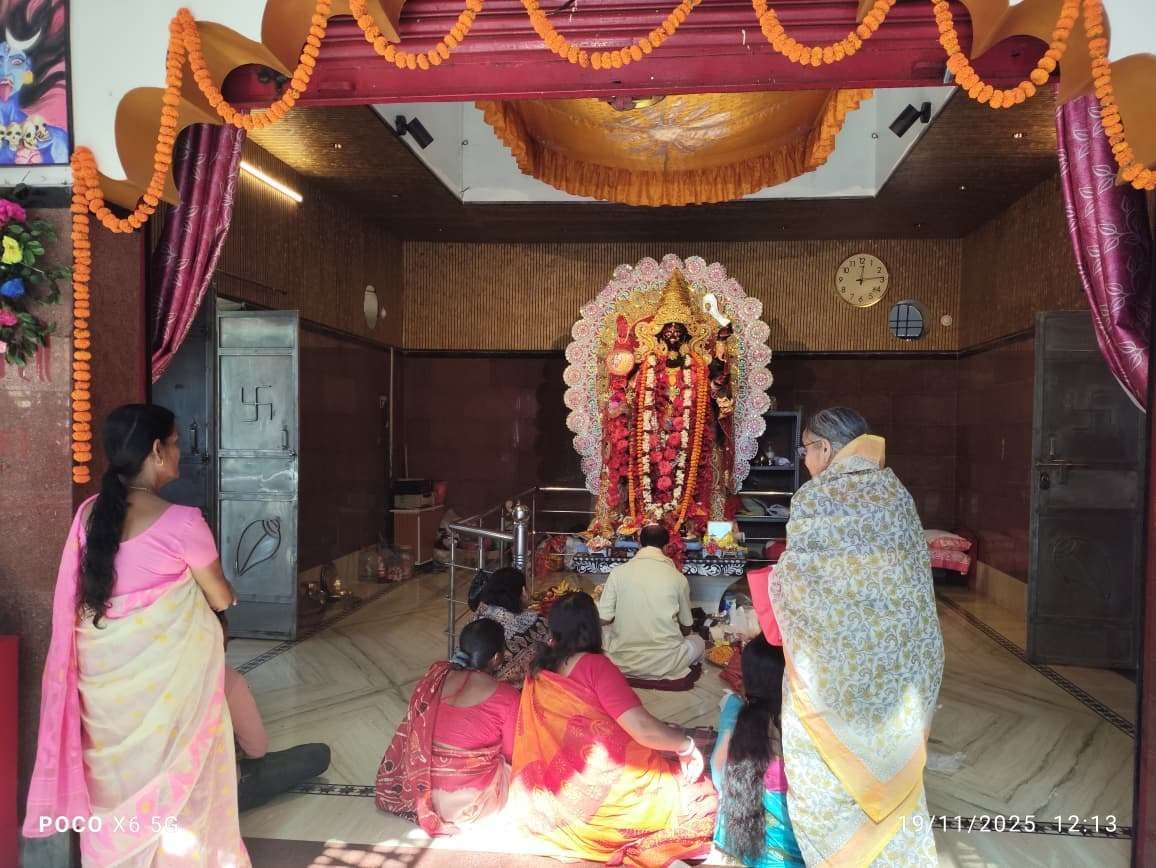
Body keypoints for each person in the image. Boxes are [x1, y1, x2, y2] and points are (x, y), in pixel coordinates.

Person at [23, 404, 250, 865]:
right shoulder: (185, 523)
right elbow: (220, 598)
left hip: (105, 695)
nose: (181, 454)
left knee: (116, 783)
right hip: (170, 696)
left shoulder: (89, 516)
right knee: (178, 772)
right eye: (177, 443)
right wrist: (219, 599)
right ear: (156, 450)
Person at [769, 407, 944, 865]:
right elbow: (908, 583)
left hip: (832, 670)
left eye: (805, 449)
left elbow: (799, 581)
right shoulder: (895, 491)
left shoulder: (816, 497)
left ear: (825, 448)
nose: (805, 459)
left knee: (827, 776)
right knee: (886, 764)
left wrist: (774, 581)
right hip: (895, 665)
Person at [509, 591, 718, 866]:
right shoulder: (595, 666)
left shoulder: (538, 668)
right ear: (593, 627)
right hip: (602, 794)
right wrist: (685, 746)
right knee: (700, 798)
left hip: (551, 798)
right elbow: (642, 729)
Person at [376, 619, 518, 835]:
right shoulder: (506, 695)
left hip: (422, 792)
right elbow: (511, 753)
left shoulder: (436, 678)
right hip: (471, 805)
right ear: (497, 658)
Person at [217, 613, 332, 812]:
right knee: (318, 754)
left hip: (157, 797)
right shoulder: (227, 680)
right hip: (220, 792)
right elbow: (256, 749)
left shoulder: (151, 673)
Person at [710, 636, 804, 868]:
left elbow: (718, 770)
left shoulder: (734, 708)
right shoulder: (804, 727)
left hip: (738, 842)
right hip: (791, 857)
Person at [596, 524, 705, 682]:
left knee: (603, 633)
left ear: (639, 544)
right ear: (667, 547)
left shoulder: (618, 573)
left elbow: (603, 618)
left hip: (622, 661)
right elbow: (687, 627)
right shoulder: (678, 578)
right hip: (667, 662)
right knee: (699, 641)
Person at [468, 566, 550, 684]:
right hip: (511, 693)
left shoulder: (479, 613)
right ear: (523, 592)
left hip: (470, 684)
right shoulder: (535, 622)